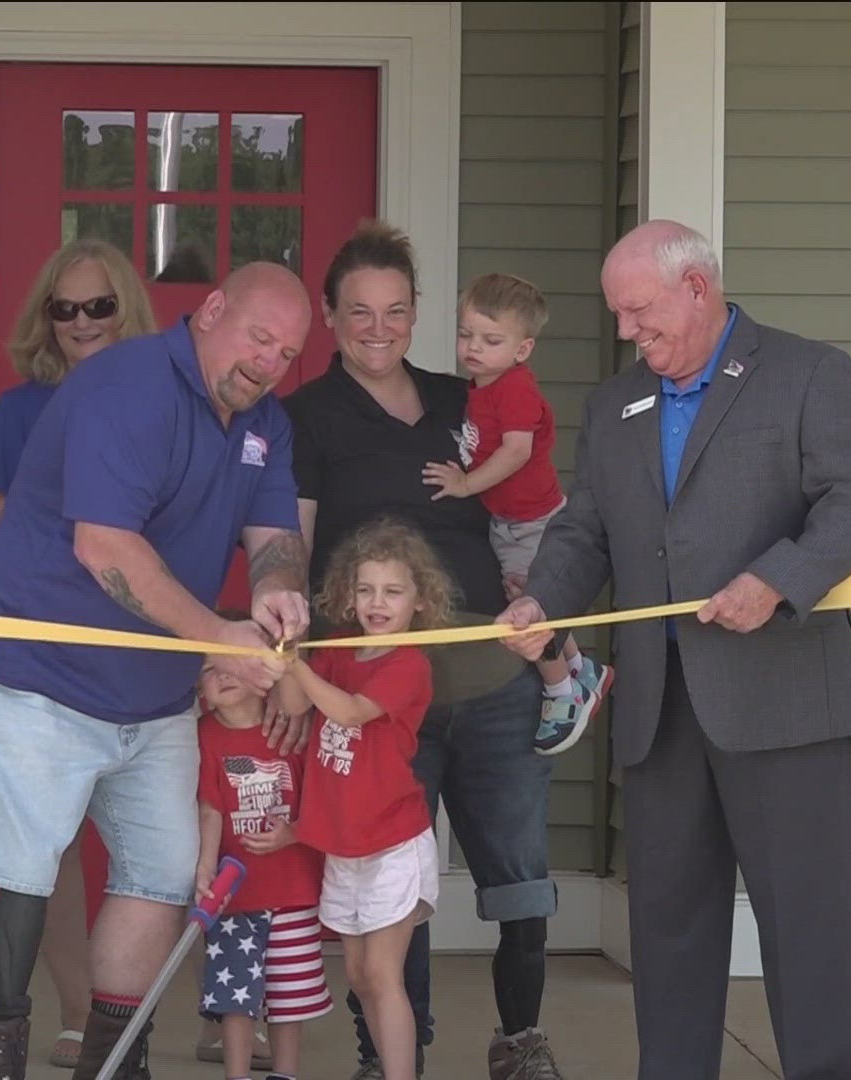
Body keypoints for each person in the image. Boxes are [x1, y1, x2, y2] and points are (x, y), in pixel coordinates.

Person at [498, 220, 851, 1080]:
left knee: (806, 934)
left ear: (696, 288)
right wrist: (541, 599)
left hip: (783, 702)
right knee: (668, 935)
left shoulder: (806, 372)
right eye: (620, 317)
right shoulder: (615, 404)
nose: (631, 333)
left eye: (641, 313)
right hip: (661, 712)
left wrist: (778, 580)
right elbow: (585, 531)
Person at [0, 262, 314, 1080]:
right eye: (259, 338)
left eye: (287, 353)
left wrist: (280, 593)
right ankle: (3, 1049)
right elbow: (104, 545)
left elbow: (274, 535)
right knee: (25, 865)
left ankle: (113, 1063)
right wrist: (219, 639)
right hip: (34, 670)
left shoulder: (267, 422)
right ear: (212, 310)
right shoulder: (130, 384)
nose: (268, 362)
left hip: (151, 690)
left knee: (158, 871)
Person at [281, 222, 565, 1080]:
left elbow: (529, 495)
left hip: (490, 675)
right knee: (389, 890)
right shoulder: (307, 416)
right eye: (359, 311)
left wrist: (539, 593)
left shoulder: (465, 398)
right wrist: (294, 666)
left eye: (396, 311)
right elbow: (291, 550)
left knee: (518, 873)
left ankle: (519, 1043)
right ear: (330, 316)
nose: (379, 327)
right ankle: (392, 1056)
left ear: (417, 315)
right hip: (372, 696)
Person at [0, 239, 158, 1070]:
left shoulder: (166, 403)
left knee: (161, 848)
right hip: (43, 665)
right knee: (46, 848)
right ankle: (76, 1008)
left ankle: (154, 1012)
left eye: (100, 306)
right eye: (64, 308)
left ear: (129, 312)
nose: (82, 323)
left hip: (146, 661)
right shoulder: (18, 411)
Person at [276, 518, 442, 1080]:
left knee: (383, 973)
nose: (377, 602)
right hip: (344, 846)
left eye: (393, 591)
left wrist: (296, 664)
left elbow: (349, 712)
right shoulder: (340, 651)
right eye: (365, 589)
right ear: (348, 593)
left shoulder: (408, 664)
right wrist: (287, 652)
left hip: (393, 840)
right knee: (360, 976)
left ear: (419, 601)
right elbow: (295, 703)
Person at [421, 273, 612, 755]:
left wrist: (465, 483)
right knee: (527, 597)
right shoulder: (482, 386)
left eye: (490, 340)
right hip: (508, 521)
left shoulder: (515, 388)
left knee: (531, 604)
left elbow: (516, 451)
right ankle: (581, 670)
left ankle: (561, 691)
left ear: (522, 349)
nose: (473, 348)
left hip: (535, 520)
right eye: (466, 335)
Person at [194, 643, 331, 1080]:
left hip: (293, 888)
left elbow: (321, 798)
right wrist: (205, 868)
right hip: (236, 895)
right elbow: (210, 806)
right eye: (209, 669)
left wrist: (294, 832)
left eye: (233, 663)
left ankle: (285, 1073)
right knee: (237, 997)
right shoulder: (204, 735)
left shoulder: (292, 731)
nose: (222, 675)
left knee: (289, 999)